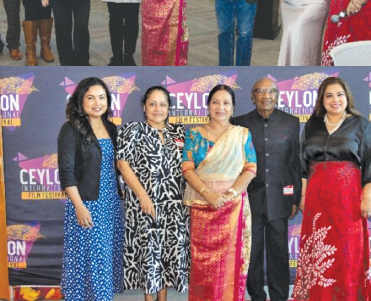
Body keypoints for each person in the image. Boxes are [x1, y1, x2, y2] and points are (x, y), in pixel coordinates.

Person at [292, 77, 371, 301]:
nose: (335, 100)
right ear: (322, 99)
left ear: (347, 97)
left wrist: (367, 197)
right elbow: (303, 166)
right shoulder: (312, 125)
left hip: (348, 200)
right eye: (329, 95)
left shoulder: (361, 124)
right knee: (318, 251)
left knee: (346, 250)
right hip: (316, 199)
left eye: (339, 94)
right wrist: (302, 195)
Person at [183, 84, 257, 301]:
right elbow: (187, 168)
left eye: (226, 103)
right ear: (208, 106)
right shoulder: (195, 134)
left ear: (233, 109)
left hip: (234, 208)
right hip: (202, 206)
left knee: (231, 263)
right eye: (215, 102)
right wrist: (209, 195)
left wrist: (230, 194)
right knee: (203, 263)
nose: (220, 107)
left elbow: (251, 168)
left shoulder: (242, 134)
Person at [116, 86, 189, 301]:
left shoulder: (179, 132)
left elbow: (188, 167)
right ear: (144, 106)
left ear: (169, 108)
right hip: (145, 205)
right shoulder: (132, 129)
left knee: (167, 251)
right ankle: (149, 298)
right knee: (149, 253)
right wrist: (143, 197)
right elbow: (123, 165)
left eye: (163, 104)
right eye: (153, 104)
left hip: (175, 206)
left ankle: (163, 298)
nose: (158, 109)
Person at [232, 77, 301, 301]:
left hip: (280, 199)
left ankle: (280, 296)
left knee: (278, 253)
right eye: (260, 92)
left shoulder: (291, 122)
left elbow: (293, 164)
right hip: (249, 198)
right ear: (252, 97)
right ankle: (257, 296)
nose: (266, 96)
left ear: (277, 95)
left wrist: (292, 198)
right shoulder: (239, 123)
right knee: (251, 253)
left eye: (270, 91)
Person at [58, 77, 124, 301]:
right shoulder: (71, 130)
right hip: (87, 205)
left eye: (102, 97)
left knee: (103, 262)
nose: (97, 102)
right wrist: (79, 206)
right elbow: (66, 171)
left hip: (111, 204)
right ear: (80, 101)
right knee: (89, 263)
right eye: (91, 97)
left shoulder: (111, 128)